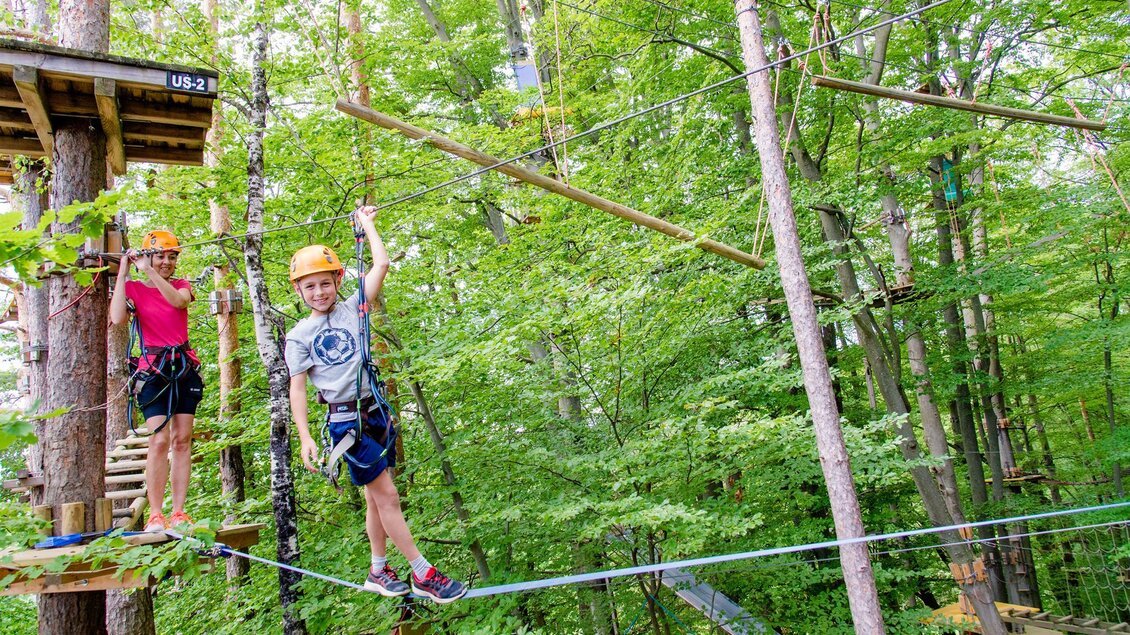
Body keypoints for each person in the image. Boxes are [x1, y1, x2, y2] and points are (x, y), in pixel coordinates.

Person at [285, 206, 467, 603]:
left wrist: (366, 224)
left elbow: (381, 263)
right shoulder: (299, 336)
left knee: (375, 496)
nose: (319, 292)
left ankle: (378, 569)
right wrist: (304, 438)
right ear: (298, 291)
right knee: (388, 497)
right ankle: (423, 572)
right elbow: (297, 389)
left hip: (375, 411)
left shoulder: (354, 308)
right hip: (345, 423)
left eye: (325, 283)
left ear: (338, 279)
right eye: (309, 287)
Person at [109, 230, 204, 532]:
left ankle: (179, 512)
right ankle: (155, 514)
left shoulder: (182, 285)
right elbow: (117, 317)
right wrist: (125, 270)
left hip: (182, 368)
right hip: (154, 370)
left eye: (171, 257)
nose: (166, 262)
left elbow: (178, 302)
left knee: (182, 440)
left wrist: (147, 268)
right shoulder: (135, 288)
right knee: (159, 439)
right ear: (149, 256)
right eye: (160, 256)